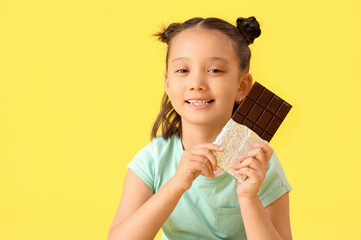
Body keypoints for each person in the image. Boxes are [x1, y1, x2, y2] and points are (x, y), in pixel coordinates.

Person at [108, 16, 292, 240]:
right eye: (183, 71)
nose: (197, 83)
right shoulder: (153, 161)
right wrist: (177, 184)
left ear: (242, 86)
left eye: (214, 70)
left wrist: (248, 197)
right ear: (168, 83)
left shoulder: (258, 164)